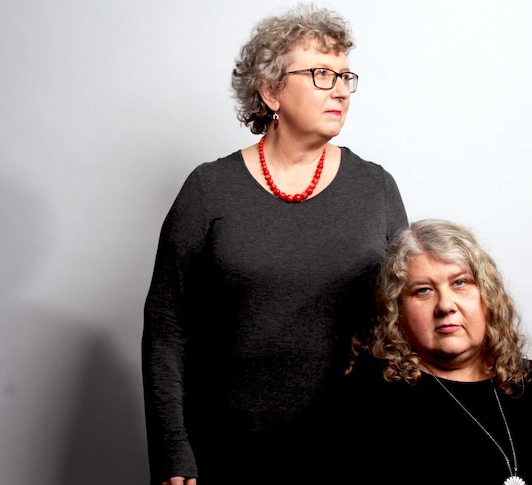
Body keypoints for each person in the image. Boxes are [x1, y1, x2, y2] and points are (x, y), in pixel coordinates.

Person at [141, 4, 408, 484]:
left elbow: (402, 322)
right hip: (225, 452)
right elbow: (167, 329)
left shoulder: (376, 188)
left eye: (346, 77)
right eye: (322, 74)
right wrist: (171, 450)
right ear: (270, 90)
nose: (342, 91)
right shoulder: (209, 189)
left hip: (351, 452)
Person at [316, 219, 532, 484]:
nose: (446, 305)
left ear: (486, 296)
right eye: (424, 290)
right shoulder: (367, 402)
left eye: (460, 283)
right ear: (398, 312)